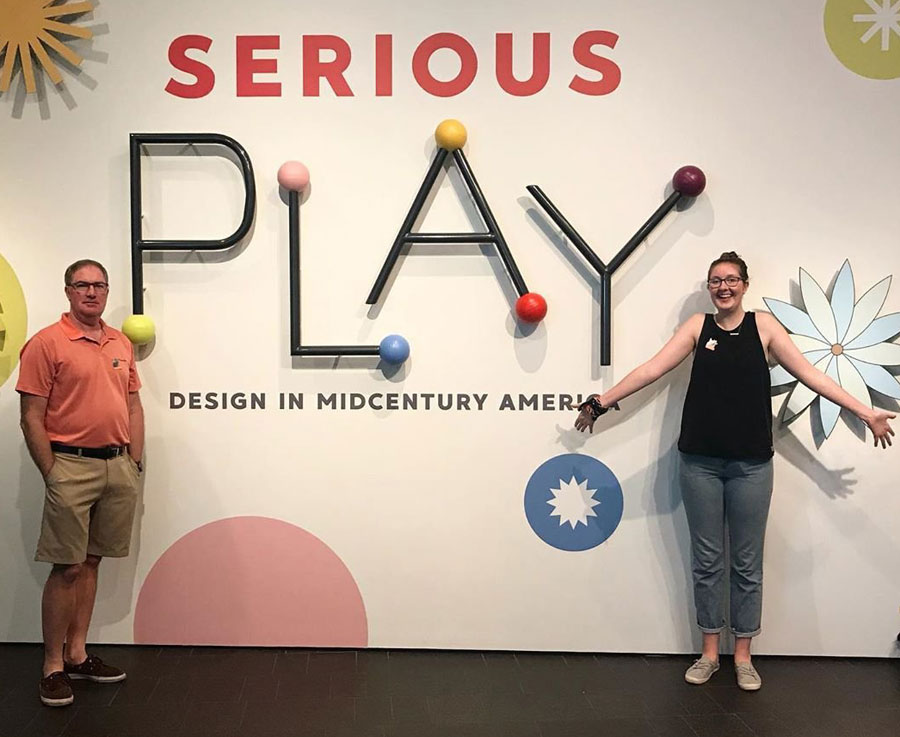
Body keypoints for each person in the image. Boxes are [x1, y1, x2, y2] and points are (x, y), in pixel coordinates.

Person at [575, 251, 894, 691]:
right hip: (699, 463)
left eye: (730, 280)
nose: (723, 287)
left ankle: (742, 656)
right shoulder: (696, 328)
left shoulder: (764, 328)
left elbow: (811, 375)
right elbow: (651, 369)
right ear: (710, 288)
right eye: (715, 281)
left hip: (751, 466)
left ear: (745, 284)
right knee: (707, 561)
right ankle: (710, 653)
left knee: (747, 564)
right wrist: (600, 402)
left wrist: (863, 411)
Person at [17, 259, 144, 707]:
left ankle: (78, 653)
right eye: (82, 285)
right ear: (68, 291)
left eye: (99, 286)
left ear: (107, 293)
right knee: (66, 567)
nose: (91, 292)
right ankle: (52, 665)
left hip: (116, 467)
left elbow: (132, 406)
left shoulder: (120, 342)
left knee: (91, 562)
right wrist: (52, 471)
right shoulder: (46, 343)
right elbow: (31, 415)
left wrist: (134, 463)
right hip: (69, 466)